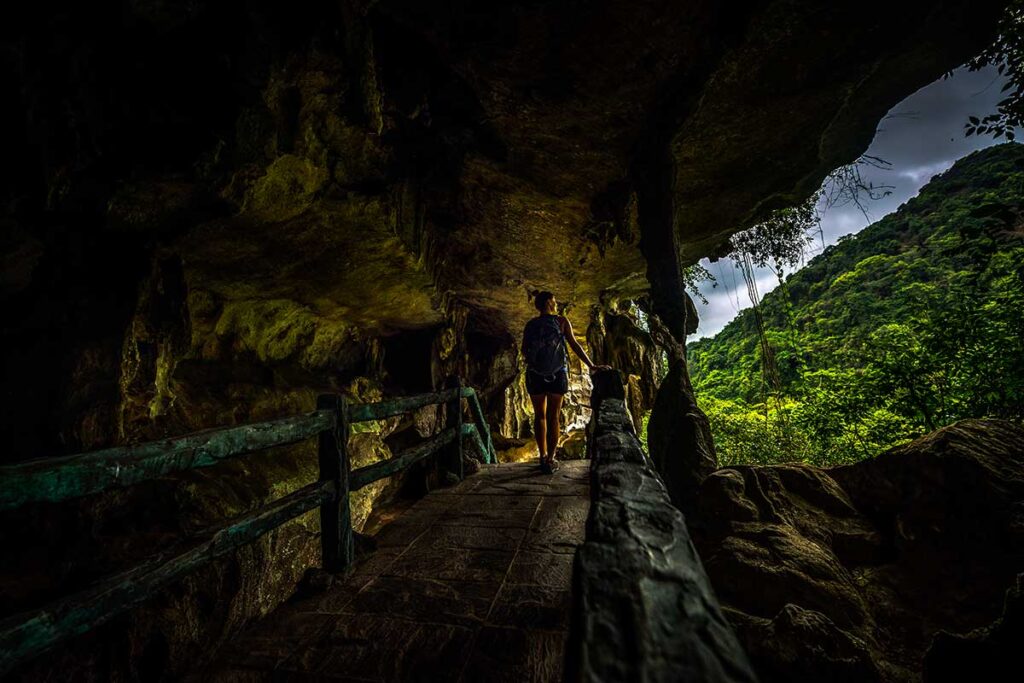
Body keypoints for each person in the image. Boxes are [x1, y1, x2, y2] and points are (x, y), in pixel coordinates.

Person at [521, 291, 609, 474]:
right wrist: (592, 366)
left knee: (540, 416)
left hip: (535, 375)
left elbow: (524, 351)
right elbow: (574, 345)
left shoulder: (531, 325)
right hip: (557, 374)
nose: (556, 303)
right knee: (553, 416)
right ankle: (551, 459)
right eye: (554, 301)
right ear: (548, 303)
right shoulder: (561, 322)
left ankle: (542, 456)